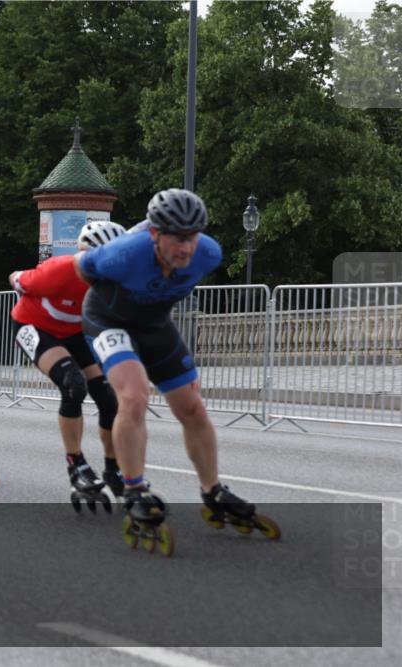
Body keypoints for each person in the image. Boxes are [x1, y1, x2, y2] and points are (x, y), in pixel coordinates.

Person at [76, 188, 279, 551]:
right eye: (176, 239)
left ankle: (212, 491)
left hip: (154, 325)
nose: (185, 248)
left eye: (191, 237)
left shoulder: (209, 254)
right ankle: (135, 490)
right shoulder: (123, 254)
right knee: (134, 395)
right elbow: (80, 267)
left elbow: (189, 257)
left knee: (192, 407)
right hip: (108, 320)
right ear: (155, 233)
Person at [8, 220, 126, 511]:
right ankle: (76, 464)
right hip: (35, 326)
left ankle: (113, 467)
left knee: (109, 398)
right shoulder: (59, 270)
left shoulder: (120, 281)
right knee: (73, 384)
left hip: (76, 332)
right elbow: (15, 277)